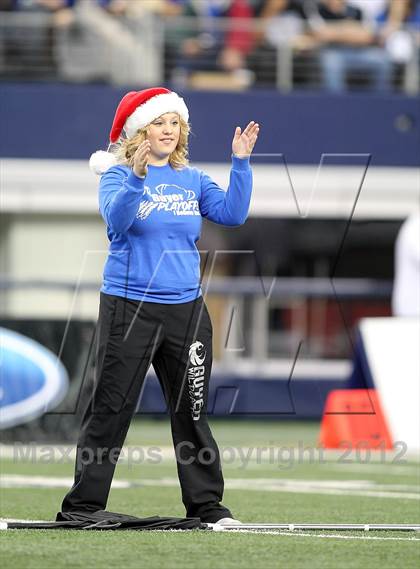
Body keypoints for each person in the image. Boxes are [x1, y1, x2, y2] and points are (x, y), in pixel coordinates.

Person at [59, 87, 260, 525]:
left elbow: (232, 213)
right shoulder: (115, 176)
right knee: (110, 409)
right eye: (159, 123)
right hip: (129, 309)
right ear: (140, 130)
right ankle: (84, 506)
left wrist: (240, 163)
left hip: (185, 311)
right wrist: (135, 176)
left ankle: (207, 506)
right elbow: (118, 221)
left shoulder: (193, 179)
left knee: (192, 411)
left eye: (174, 123)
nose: (168, 131)